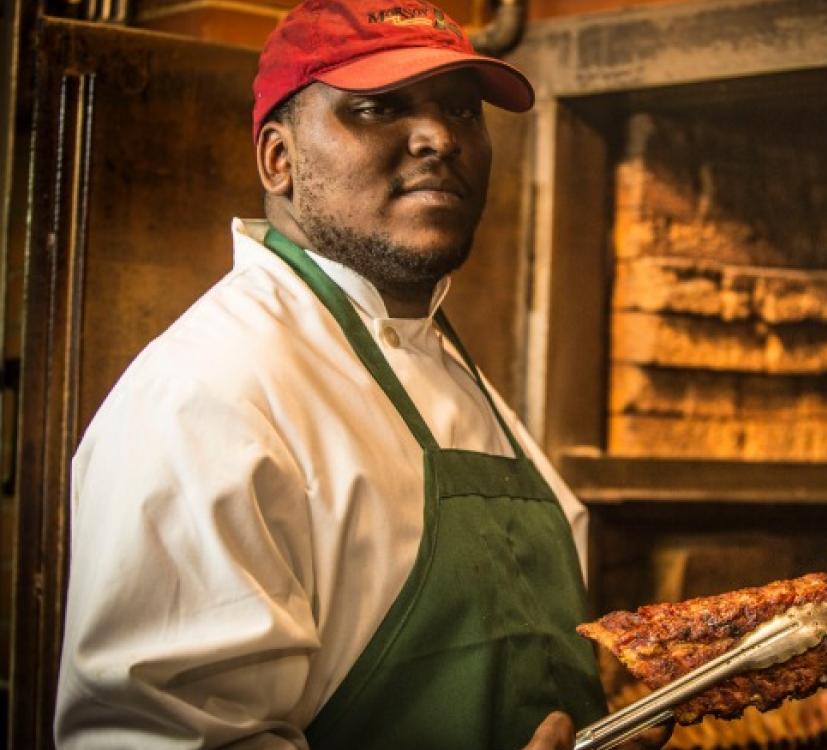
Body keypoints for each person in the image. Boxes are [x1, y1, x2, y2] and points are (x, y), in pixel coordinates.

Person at [55, 2, 652, 748]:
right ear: (278, 158)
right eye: (377, 106)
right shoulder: (205, 398)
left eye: (462, 110)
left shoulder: (441, 361)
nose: (440, 137)